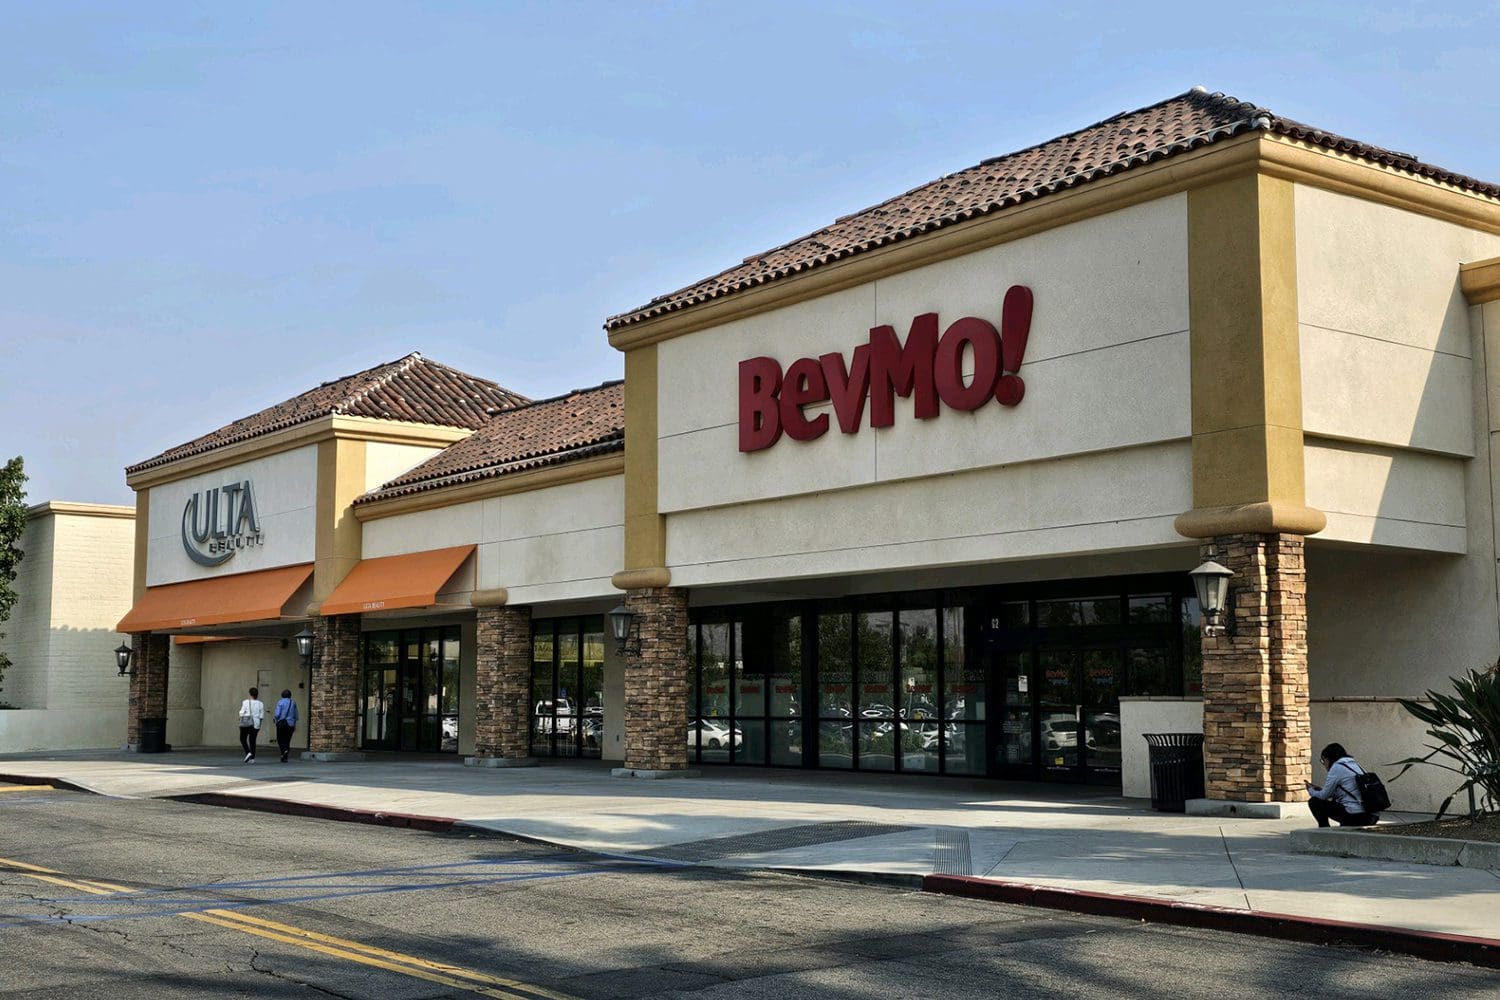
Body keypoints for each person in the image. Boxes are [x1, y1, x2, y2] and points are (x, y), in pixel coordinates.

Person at [1306, 742, 1378, 827]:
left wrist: (1310, 790)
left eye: (1323, 761)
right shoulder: (1355, 765)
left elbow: (1323, 796)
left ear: (1328, 759)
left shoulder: (1336, 768)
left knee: (1314, 802)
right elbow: (1348, 790)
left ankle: (1324, 830)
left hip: (1356, 815)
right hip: (1372, 815)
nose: (1324, 764)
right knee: (1336, 800)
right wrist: (1321, 789)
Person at [238, 687, 265, 763]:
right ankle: (252, 758)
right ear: (257, 694)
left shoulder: (245, 702)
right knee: (252, 741)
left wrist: (240, 718)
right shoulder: (260, 703)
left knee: (242, 739)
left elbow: (241, 712)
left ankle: (248, 752)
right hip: (256, 724)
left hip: (246, 723)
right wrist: (259, 726)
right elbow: (261, 716)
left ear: (250, 694)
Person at [273, 689, 299, 763]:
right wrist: (294, 723)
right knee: (287, 740)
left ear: (282, 695)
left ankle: (283, 751)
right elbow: (296, 715)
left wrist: (275, 718)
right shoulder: (293, 703)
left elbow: (277, 714)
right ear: (290, 695)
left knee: (280, 739)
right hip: (290, 724)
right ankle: (285, 756)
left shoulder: (280, 702)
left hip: (282, 723)